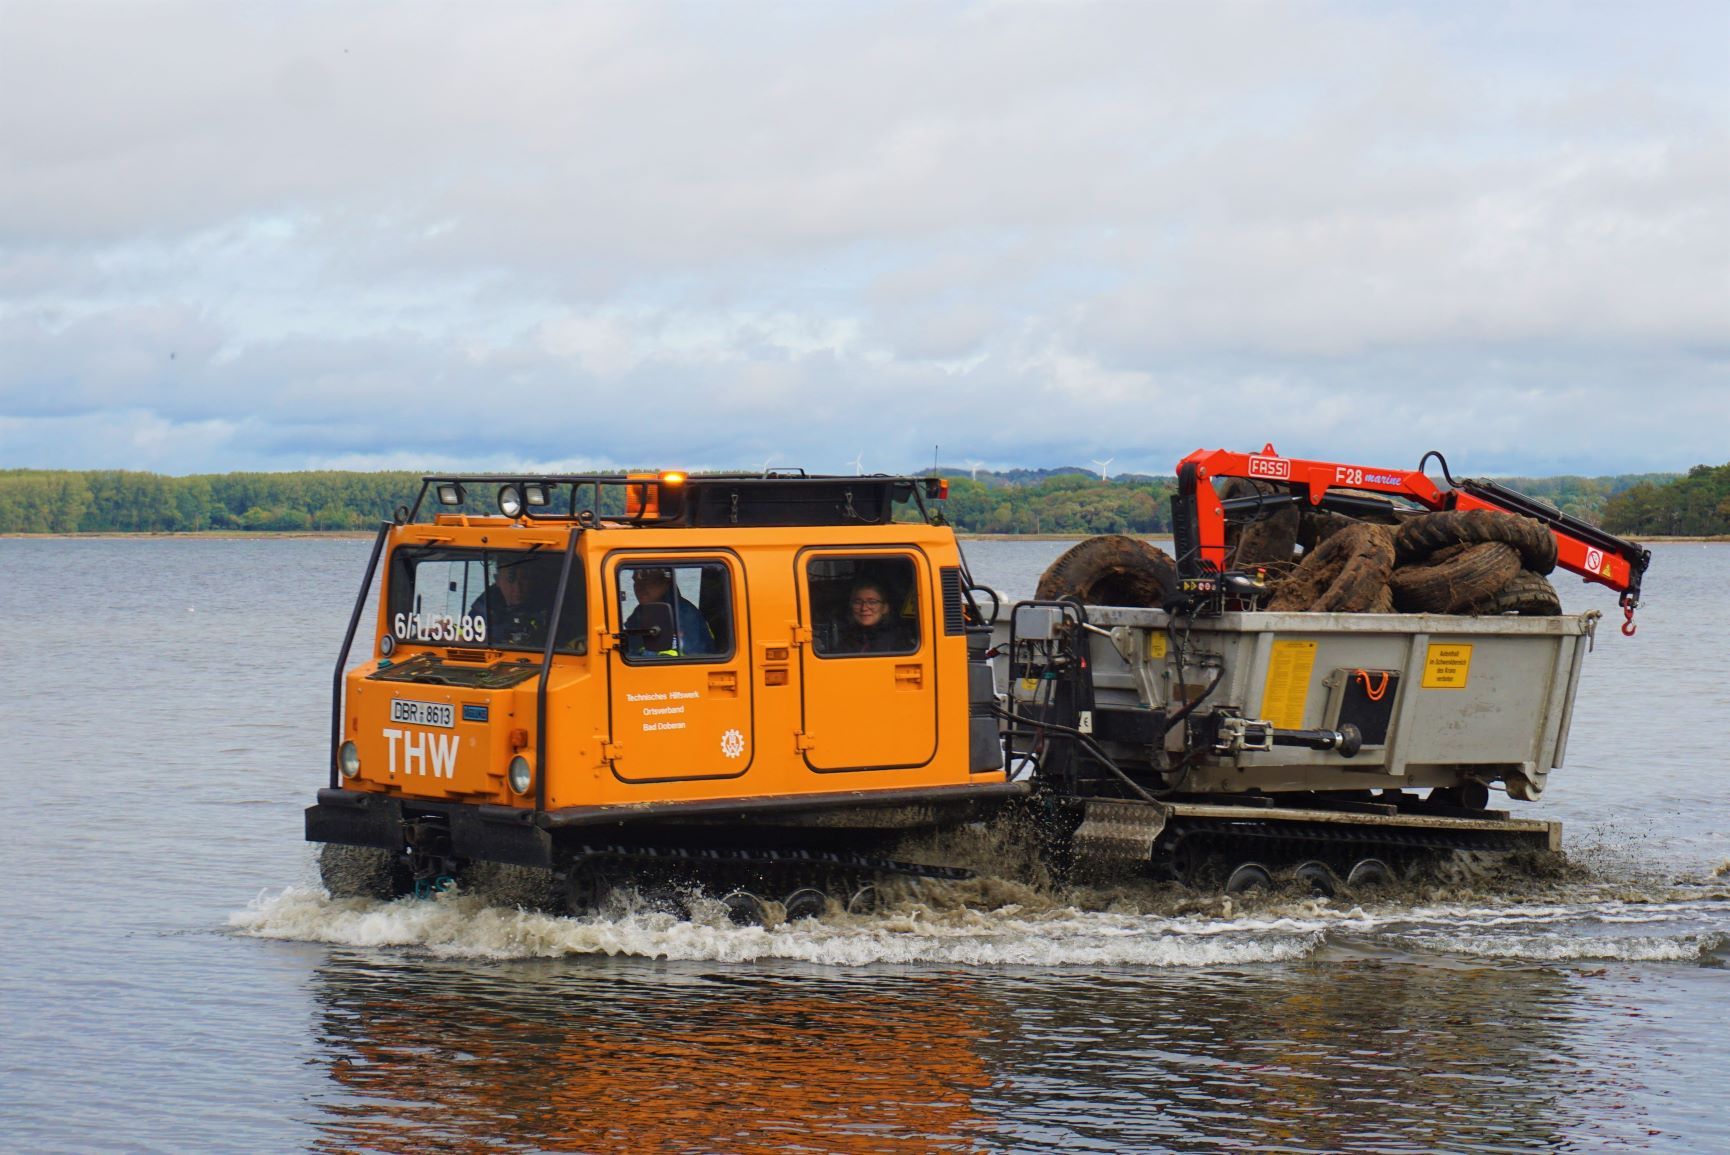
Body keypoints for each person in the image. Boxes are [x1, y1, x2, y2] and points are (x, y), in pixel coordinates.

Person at [624, 567, 715, 657]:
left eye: (647, 581)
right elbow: (632, 643)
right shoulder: (642, 610)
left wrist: (634, 657)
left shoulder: (683, 614)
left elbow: (678, 656)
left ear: (665, 583)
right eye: (636, 581)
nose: (639, 587)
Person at [470, 556, 556, 647]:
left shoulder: (550, 610)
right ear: (497, 580)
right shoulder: (482, 608)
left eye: (524, 579)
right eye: (510, 580)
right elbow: (465, 636)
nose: (517, 588)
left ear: (533, 581)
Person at [824, 580, 913, 654]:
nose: (864, 608)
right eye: (858, 602)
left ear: (885, 608)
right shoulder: (848, 638)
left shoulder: (898, 639)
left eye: (872, 602)